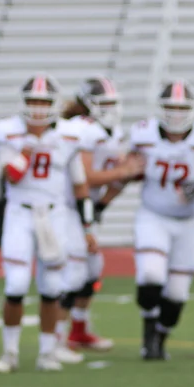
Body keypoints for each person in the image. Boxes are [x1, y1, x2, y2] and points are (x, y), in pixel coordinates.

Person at [0, 75, 91, 373]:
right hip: (20, 213)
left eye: (43, 102)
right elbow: (12, 175)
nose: (37, 108)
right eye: (32, 102)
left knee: (51, 286)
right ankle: (9, 353)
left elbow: (80, 185)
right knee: (16, 283)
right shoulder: (8, 132)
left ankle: (47, 352)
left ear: (53, 105)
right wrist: (26, 150)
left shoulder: (70, 135)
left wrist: (87, 228)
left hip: (54, 215)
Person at [124, 81, 194, 361]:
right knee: (150, 274)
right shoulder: (144, 134)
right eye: (171, 108)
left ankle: (160, 337)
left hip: (190, 222)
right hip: (153, 214)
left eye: (182, 108)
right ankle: (148, 329)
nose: (176, 114)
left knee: (177, 293)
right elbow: (130, 171)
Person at [57, 76, 137, 355]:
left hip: (86, 207)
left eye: (112, 103)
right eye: (103, 103)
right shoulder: (82, 129)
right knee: (75, 272)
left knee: (92, 271)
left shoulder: (112, 133)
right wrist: (124, 171)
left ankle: (79, 331)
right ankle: (55, 340)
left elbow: (116, 179)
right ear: (87, 105)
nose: (109, 108)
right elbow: (87, 177)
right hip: (66, 207)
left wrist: (103, 203)